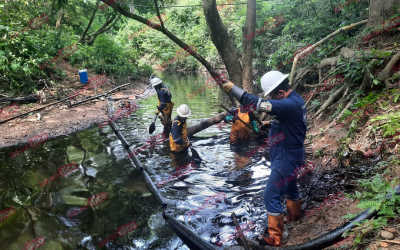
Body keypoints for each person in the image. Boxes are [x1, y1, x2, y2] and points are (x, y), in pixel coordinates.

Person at [220, 71, 307, 246]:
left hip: (286, 157)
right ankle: (294, 215)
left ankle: (275, 238)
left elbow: (257, 104)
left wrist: (232, 89)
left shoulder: (288, 104)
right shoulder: (297, 101)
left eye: (274, 96)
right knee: (290, 186)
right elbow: (289, 121)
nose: (273, 99)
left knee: (270, 194)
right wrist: (272, 123)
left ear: (280, 93)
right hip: (293, 154)